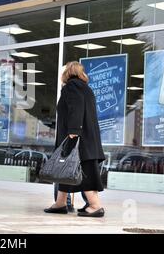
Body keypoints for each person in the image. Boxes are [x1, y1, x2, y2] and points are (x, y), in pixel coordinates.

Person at [45, 61, 106, 217]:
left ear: (68, 72)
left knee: (85, 172)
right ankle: (60, 203)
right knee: (66, 170)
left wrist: (73, 130)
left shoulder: (72, 87)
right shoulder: (86, 88)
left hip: (78, 138)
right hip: (86, 138)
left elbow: (76, 108)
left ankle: (95, 205)